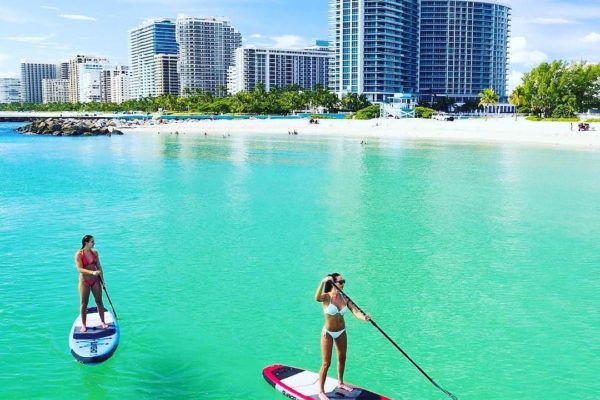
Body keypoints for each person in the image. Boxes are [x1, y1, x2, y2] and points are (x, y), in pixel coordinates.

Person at [315, 274, 370, 400]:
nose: (343, 284)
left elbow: (355, 311)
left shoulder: (345, 298)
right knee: (326, 363)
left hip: (341, 332)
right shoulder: (326, 297)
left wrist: (364, 318)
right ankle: (321, 391)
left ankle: (340, 382)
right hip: (328, 333)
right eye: (340, 282)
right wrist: (323, 282)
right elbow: (316, 297)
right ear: (333, 283)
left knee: (342, 358)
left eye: (344, 281)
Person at [75, 235, 108, 332]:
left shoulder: (95, 252)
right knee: (84, 303)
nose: (94, 243)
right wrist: (92, 272)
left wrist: (103, 280)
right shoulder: (79, 254)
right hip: (84, 281)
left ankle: (103, 322)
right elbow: (80, 269)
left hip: (95, 281)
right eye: (92, 241)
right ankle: (84, 325)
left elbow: (99, 266)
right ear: (86, 242)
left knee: (99, 301)